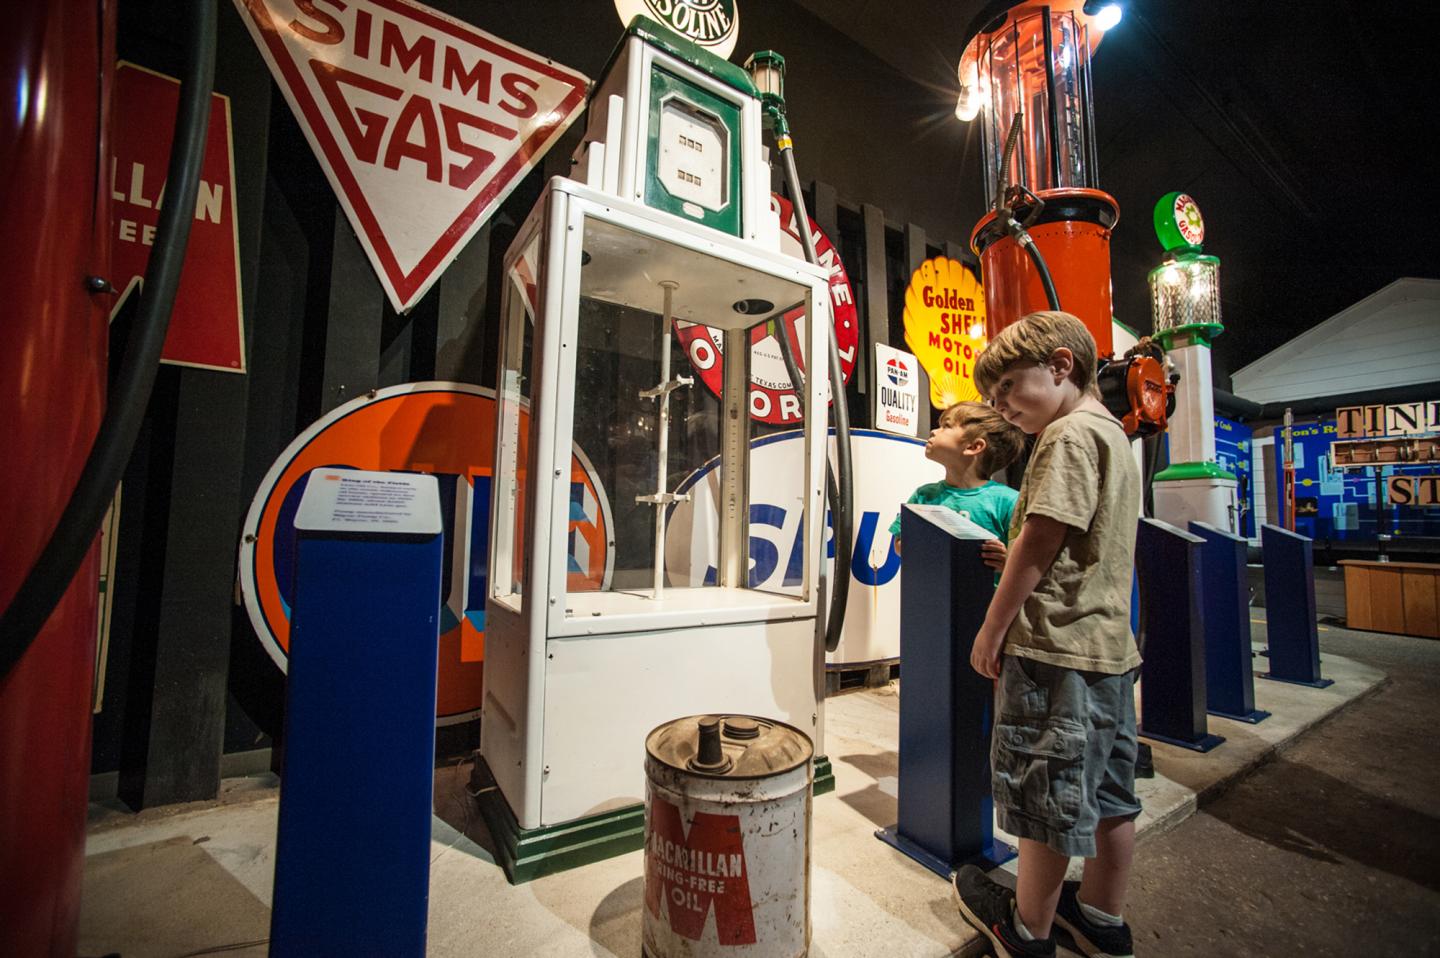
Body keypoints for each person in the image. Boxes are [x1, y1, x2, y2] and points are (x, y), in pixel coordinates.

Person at [952, 311, 1142, 958]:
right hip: (1109, 650)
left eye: (1007, 388)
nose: (1001, 408)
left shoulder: (1064, 436)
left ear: (1061, 365)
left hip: (1054, 649)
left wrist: (993, 625)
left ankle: (1026, 929)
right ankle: (1100, 918)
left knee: (1048, 798)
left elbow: (1041, 536)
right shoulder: (1113, 434)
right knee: (1111, 795)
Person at [888, 401, 1024, 569]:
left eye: (946, 426)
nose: (934, 431)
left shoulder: (1009, 501)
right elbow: (900, 544)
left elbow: (1026, 559)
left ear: (974, 446)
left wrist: (1006, 562)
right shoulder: (923, 495)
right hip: (932, 594)